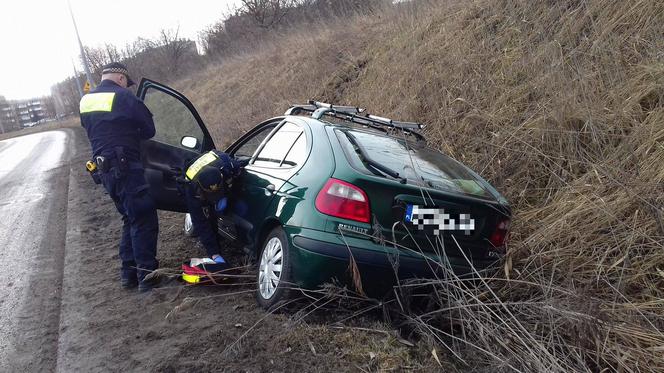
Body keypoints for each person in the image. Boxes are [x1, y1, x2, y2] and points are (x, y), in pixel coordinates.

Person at [79, 62, 160, 292]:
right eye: (127, 84)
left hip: (103, 171)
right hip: (126, 168)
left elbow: (92, 128)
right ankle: (147, 276)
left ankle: (128, 275)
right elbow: (149, 130)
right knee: (143, 218)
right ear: (122, 79)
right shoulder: (125, 98)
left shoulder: (86, 101)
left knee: (129, 217)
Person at [183, 150, 246, 266]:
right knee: (209, 219)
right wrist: (214, 254)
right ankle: (216, 248)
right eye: (211, 195)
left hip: (217, 160)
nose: (214, 197)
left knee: (236, 206)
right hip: (196, 177)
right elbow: (200, 223)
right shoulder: (191, 187)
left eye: (217, 193)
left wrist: (229, 195)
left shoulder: (227, 166)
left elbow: (238, 171)